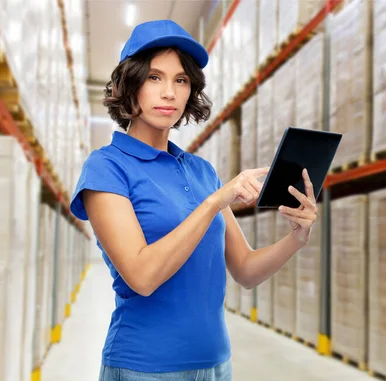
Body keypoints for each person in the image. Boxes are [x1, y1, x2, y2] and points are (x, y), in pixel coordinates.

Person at [70, 20, 318, 381]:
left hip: (216, 364)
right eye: (154, 77)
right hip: (145, 367)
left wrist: (296, 237)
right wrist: (214, 202)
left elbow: (245, 269)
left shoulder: (202, 172)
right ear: (129, 85)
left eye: (180, 80)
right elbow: (141, 276)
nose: (168, 92)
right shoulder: (106, 167)